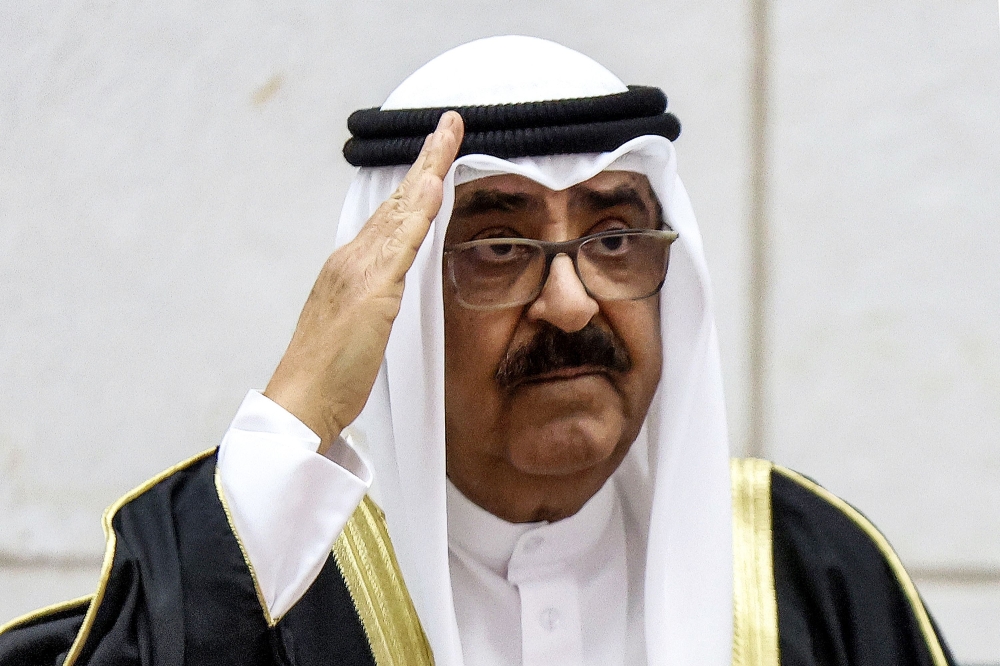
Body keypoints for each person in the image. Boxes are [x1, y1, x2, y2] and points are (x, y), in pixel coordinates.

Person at [0, 36, 955, 666]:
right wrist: (291, 422)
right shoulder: (277, 576)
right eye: (500, 250)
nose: (574, 302)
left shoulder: (812, 582)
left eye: (615, 238)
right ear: (397, 301)